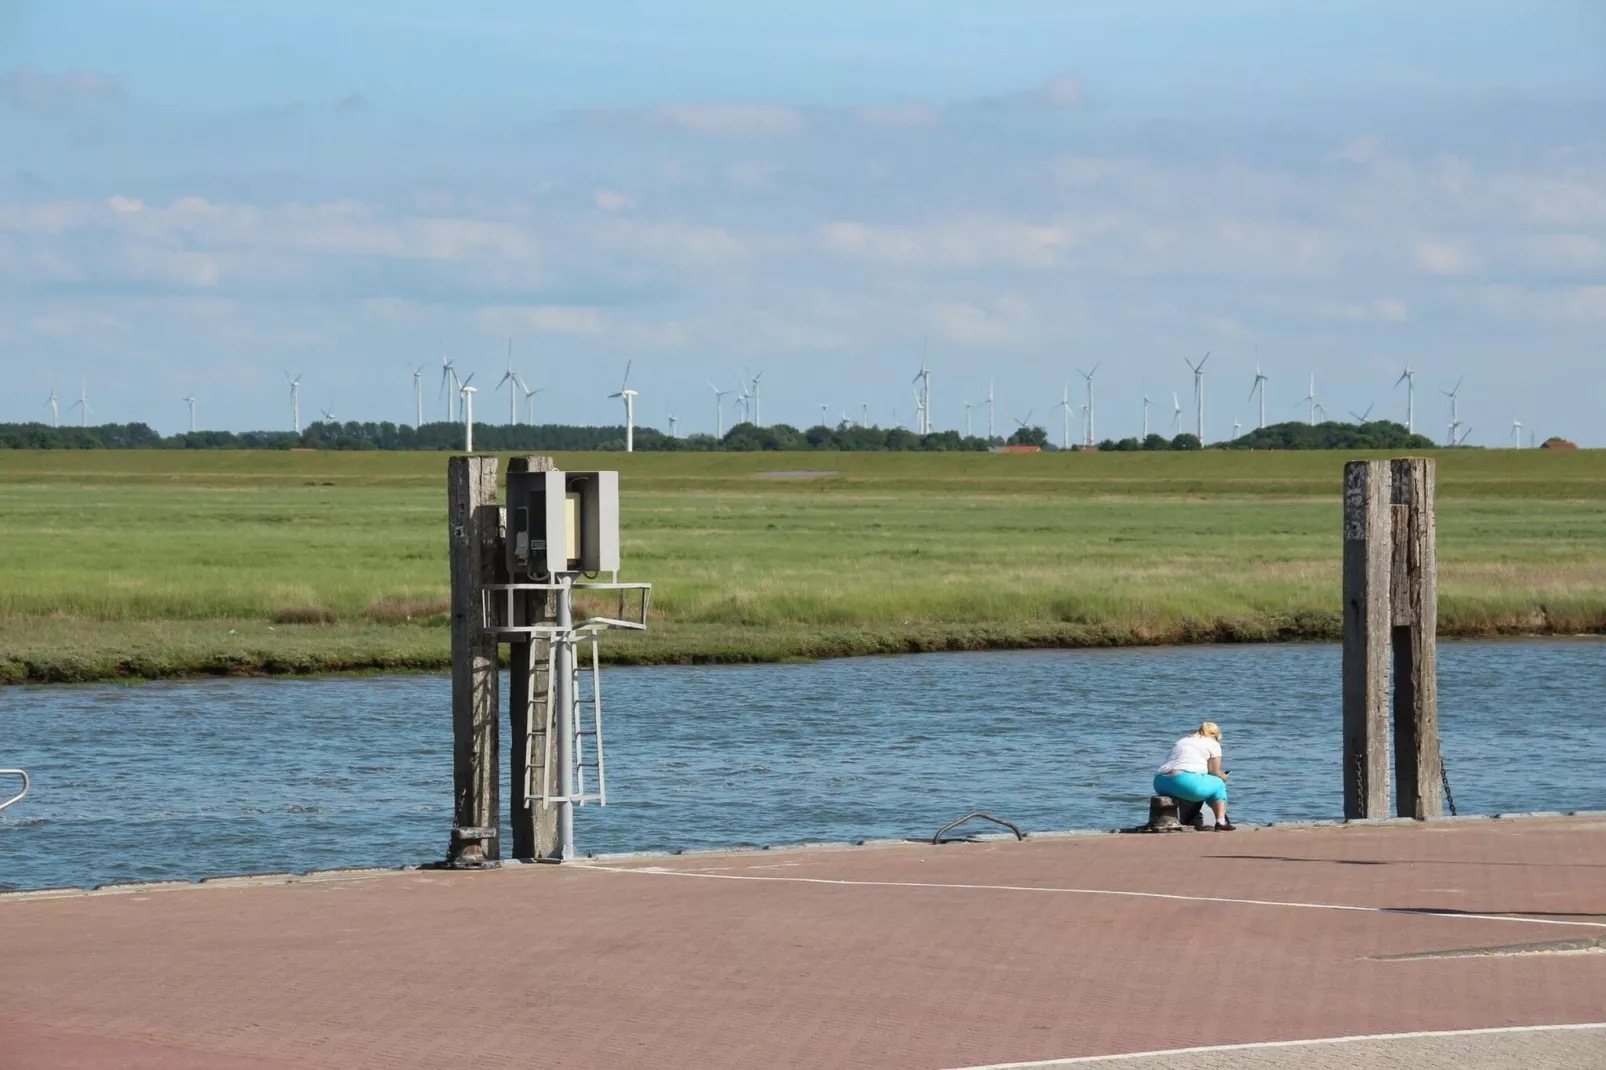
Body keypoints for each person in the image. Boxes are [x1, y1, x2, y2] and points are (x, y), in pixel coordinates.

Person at [1154, 721, 1234, 831]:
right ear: (1215, 735)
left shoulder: (1183, 741)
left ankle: (1189, 819)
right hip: (1184, 781)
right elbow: (1214, 772)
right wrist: (1223, 777)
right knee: (1218, 783)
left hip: (1160, 781)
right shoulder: (1212, 743)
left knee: (1201, 784)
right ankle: (1221, 822)